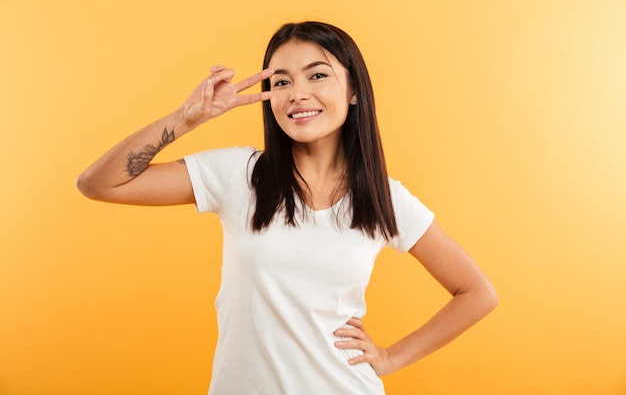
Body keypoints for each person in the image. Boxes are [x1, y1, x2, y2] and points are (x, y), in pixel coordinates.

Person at [77, 21, 498, 395]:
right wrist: (188, 118)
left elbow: (477, 293)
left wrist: (391, 358)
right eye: (281, 82)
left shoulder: (382, 196)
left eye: (317, 75)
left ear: (353, 91)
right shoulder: (239, 174)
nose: (297, 94)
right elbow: (98, 183)